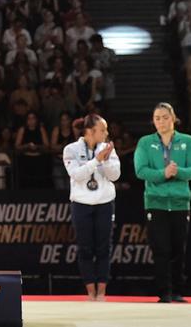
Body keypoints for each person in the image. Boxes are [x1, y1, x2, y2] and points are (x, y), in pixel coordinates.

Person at [134, 102, 191, 303]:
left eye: (165, 117)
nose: (161, 122)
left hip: (180, 202)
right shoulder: (145, 142)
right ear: (153, 121)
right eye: (157, 118)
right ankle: (163, 292)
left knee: (178, 248)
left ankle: (178, 291)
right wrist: (164, 173)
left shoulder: (188, 141)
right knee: (161, 249)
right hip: (155, 202)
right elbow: (141, 171)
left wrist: (177, 171)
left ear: (173, 118)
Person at [63, 114, 120, 301]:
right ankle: (90, 292)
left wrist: (104, 160)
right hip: (81, 203)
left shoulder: (108, 148)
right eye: (103, 129)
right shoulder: (70, 149)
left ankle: (102, 292)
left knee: (104, 248)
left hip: (105, 202)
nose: (107, 133)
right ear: (90, 131)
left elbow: (115, 176)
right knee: (85, 248)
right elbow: (76, 175)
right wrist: (96, 160)